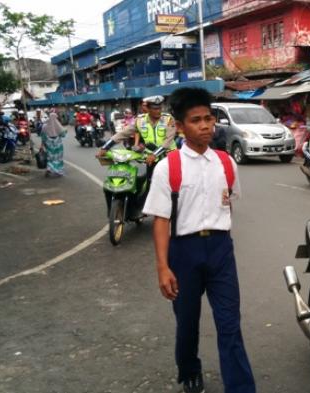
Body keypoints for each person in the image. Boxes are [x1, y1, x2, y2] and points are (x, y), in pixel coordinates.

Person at [142, 87, 256, 393]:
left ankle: (241, 387)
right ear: (180, 126)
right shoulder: (169, 167)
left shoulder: (226, 163)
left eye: (208, 118)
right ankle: (189, 371)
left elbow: (228, 201)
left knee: (230, 324)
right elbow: (161, 219)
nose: (205, 125)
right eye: (196, 120)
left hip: (220, 251)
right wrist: (162, 267)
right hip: (184, 253)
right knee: (187, 323)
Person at [97, 96, 177, 166]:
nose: (158, 111)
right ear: (148, 109)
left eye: (160, 108)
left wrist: (154, 154)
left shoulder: (168, 119)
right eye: (155, 109)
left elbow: (168, 140)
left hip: (169, 157)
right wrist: (105, 147)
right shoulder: (140, 120)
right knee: (150, 181)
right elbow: (122, 134)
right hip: (151, 158)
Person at [39, 112, 66, 177]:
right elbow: (63, 134)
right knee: (58, 158)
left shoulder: (45, 126)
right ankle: (59, 171)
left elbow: (43, 136)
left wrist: (42, 145)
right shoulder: (58, 125)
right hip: (58, 144)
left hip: (49, 144)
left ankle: (49, 169)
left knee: (50, 157)